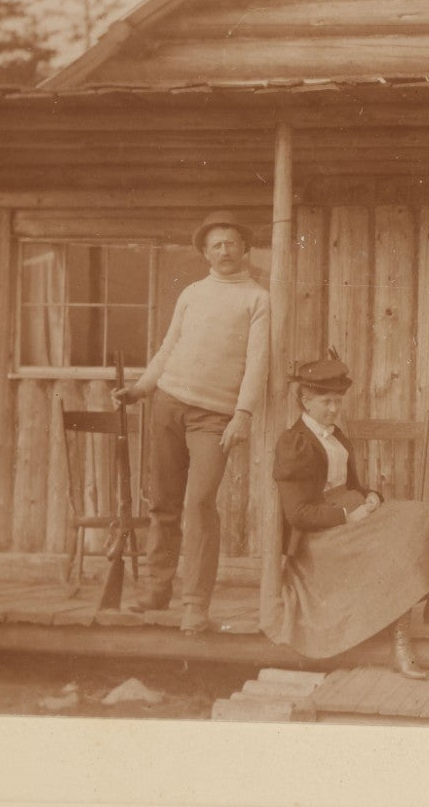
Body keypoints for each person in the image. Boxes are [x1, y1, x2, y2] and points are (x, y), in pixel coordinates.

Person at [262, 352, 429, 679]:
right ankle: (400, 641)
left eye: (338, 401)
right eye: (326, 401)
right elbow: (299, 514)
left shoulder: (335, 435)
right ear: (305, 401)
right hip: (320, 539)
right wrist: (348, 516)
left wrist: (371, 496)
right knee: (393, 543)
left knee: (420, 514)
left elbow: (351, 485)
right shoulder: (294, 443)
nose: (334, 409)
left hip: (352, 514)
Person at [112, 211, 268, 633]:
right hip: (168, 403)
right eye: (216, 245)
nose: (225, 250)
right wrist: (141, 389)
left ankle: (196, 604)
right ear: (205, 253)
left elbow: (258, 362)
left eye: (231, 243)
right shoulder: (192, 294)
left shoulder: (257, 299)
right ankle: (156, 589)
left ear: (244, 248)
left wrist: (243, 414)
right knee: (163, 502)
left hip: (214, 417)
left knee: (199, 503)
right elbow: (169, 346)